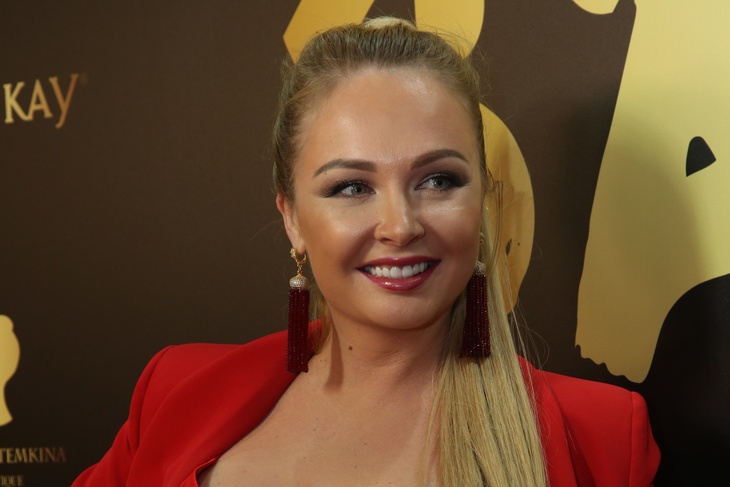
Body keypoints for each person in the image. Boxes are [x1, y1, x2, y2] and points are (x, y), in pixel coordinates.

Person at [72, 18, 660, 487]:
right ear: (292, 218)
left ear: (482, 198)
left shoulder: (604, 437)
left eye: (438, 180)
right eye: (352, 187)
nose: (400, 226)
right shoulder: (175, 391)